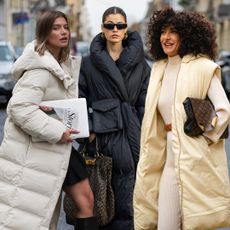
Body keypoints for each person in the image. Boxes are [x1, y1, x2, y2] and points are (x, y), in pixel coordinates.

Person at [133, 7, 230, 230]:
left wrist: (203, 138)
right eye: (163, 32)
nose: (166, 38)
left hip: (194, 159)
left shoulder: (202, 67)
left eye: (172, 32)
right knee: (165, 224)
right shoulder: (158, 69)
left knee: (195, 224)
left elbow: (224, 110)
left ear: (185, 35)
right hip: (166, 159)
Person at [0, 10, 96, 230]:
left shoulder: (57, 63)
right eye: (56, 28)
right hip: (40, 149)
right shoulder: (40, 68)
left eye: (65, 27)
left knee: (84, 200)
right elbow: (19, 108)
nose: (63, 32)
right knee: (34, 215)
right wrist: (57, 130)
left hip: (54, 147)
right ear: (44, 33)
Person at [75, 6, 150, 230]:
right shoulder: (88, 64)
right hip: (100, 143)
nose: (115, 29)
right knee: (100, 205)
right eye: (110, 25)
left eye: (120, 25)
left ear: (126, 30)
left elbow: (144, 105)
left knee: (128, 205)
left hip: (131, 141)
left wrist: (143, 136)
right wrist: (88, 133)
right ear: (102, 29)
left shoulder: (142, 66)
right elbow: (80, 101)